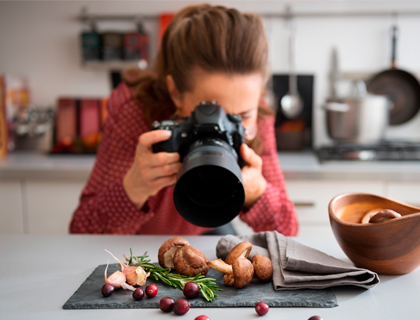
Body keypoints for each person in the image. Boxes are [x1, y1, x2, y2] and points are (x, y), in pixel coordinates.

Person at [70, 4, 298, 236]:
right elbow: (82, 232)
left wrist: (259, 193)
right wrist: (132, 189)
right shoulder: (134, 108)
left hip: (205, 228)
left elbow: (288, 232)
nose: (223, 126)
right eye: (209, 111)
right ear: (175, 92)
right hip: (136, 239)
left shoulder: (257, 114)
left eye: (242, 116)